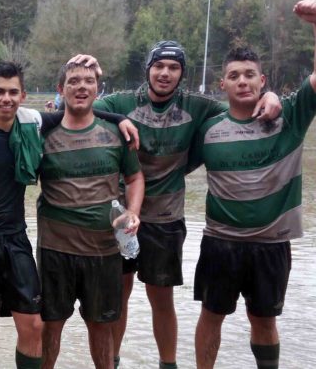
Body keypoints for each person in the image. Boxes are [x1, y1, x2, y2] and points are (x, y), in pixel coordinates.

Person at [68, 43, 281, 368]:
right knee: (117, 296)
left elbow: (241, 105)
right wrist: (112, 107)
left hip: (166, 218)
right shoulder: (122, 101)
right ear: (148, 69)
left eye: (173, 67)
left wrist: (271, 95)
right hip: (120, 215)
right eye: (159, 66)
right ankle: (113, 361)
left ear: (182, 73)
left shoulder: (197, 106)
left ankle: (168, 364)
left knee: (161, 298)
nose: (165, 73)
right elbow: (82, 107)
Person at [0, 61, 138, 369]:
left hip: (14, 238)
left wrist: (120, 118)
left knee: (34, 324)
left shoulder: (34, 125)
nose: (6, 98)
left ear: (23, 96)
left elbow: (78, 110)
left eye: (13, 92)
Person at [189, 0, 316, 369]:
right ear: (222, 84)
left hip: (271, 244)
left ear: (263, 80)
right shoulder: (208, 129)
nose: (242, 81)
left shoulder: (290, 116)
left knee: (264, 320)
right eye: (234, 76)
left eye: (249, 74)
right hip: (220, 243)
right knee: (211, 315)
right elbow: (166, 166)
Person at [37, 61, 145, 369]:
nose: (81, 86)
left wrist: (133, 212)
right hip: (55, 251)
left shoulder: (116, 134)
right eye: (73, 81)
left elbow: (135, 178)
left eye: (88, 81)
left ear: (98, 89)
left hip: (103, 251)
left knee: (101, 326)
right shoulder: (43, 135)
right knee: (50, 325)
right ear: (61, 89)